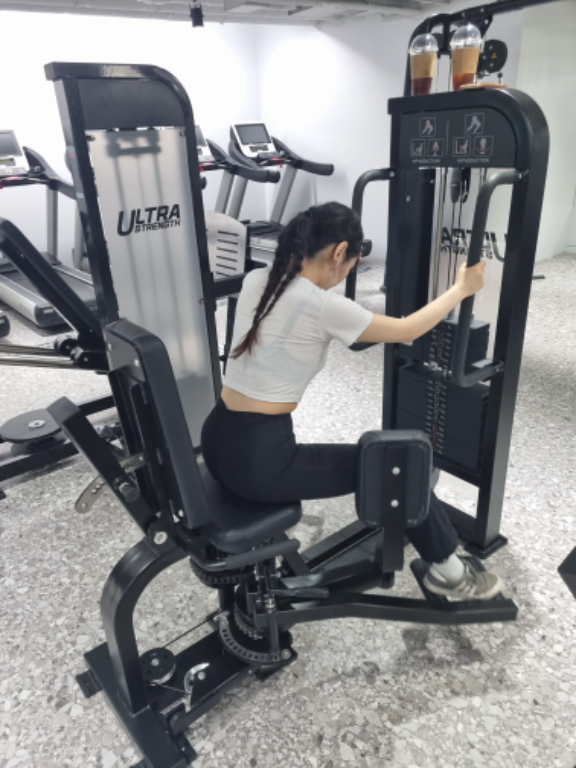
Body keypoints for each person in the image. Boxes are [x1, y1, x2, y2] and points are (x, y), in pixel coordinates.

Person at [202, 202, 502, 600]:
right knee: (400, 467)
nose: (346, 273)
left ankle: (444, 562)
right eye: (351, 264)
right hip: (260, 464)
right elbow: (407, 330)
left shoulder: (260, 279)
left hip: (217, 439)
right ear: (339, 251)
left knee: (386, 460)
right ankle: (450, 575)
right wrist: (462, 288)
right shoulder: (323, 305)